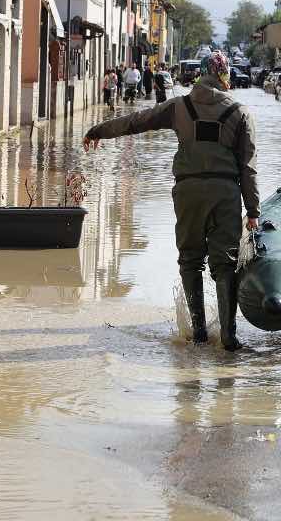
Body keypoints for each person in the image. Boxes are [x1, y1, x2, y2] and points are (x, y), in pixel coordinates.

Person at [83, 51, 259, 351]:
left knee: (191, 260)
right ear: (224, 75)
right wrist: (253, 210)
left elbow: (136, 121)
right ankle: (229, 337)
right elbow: (248, 167)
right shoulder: (240, 112)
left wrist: (98, 130)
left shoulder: (180, 106)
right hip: (225, 193)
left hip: (188, 192)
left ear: (200, 75)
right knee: (225, 264)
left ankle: (199, 334)